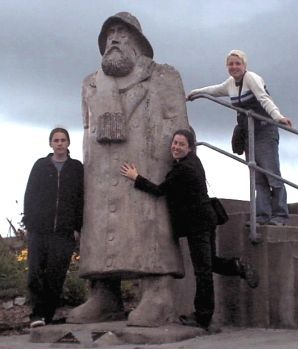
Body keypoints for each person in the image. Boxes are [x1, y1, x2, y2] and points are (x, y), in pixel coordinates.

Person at [67, 12, 189, 327]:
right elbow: (86, 127)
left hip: (148, 167)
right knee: (100, 229)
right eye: (109, 34)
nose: (114, 39)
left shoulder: (163, 76)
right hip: (101, 172)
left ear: (138, 42)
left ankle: (158, 294)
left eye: (122, 32)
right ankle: (104, 295)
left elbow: (181, 127)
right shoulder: (91, 83)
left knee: (149, 224)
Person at [120, 129, 259, 331]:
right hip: (205, 220)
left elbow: (160, 190)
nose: (176, 147)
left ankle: (202, 317)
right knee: (208, 263)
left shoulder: (183, 169)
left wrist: (136, 177)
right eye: (174, 143)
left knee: (203, 271)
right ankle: (237, 266)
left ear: (190, 147)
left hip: (198, 224)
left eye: (181, 144)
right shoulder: (193, 161)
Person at [187, 49, 292, 227]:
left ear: (244, 65)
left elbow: (264, 98)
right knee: (258, 177)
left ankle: (280, 215)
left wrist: (278, 117)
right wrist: (195, 93)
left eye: (238, 63)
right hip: (249, 133)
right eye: (231, 64)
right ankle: (262, 216)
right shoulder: (230, 83)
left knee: (272, 174)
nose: (234, 67)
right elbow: (214, 90)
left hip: (265, 130)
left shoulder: (252, 78)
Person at [22, 128, 84, 328]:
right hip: (39, 229)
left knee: (56, 275)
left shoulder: (76, 168)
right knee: (35, 273)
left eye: (63, 140)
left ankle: (46, 316)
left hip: (64, 232)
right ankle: (36, 314)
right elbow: (29, 194)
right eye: (56, 140)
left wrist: (77, 226)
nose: (59, 143)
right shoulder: (41, 166)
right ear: (50, 143)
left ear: (68, 143)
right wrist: (29, 223)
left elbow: (81, 198)